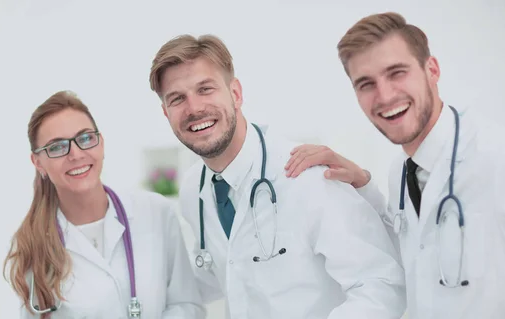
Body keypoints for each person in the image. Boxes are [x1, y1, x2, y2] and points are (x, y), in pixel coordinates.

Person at [285, 12, 505, 319]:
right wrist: (363, 184)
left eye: (397, 72)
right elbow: (417, 256)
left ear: (432, 70)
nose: (385, 95)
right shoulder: (401, 171)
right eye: (366, 84)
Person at [148, 34, 406, 319]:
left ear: (236, 93)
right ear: (165, 112)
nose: (194, 108)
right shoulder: (192, 191)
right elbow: (223, 272)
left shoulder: (306, 175)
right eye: (177, 99)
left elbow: (381, 285)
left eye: (205, 89)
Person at [3, 90, 205, 319]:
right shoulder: (31, 243)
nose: (76, 154)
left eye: (86, 138)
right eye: (57, 147)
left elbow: (188, 304)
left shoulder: (156, 212)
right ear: (38, 163)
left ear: (101, 143)